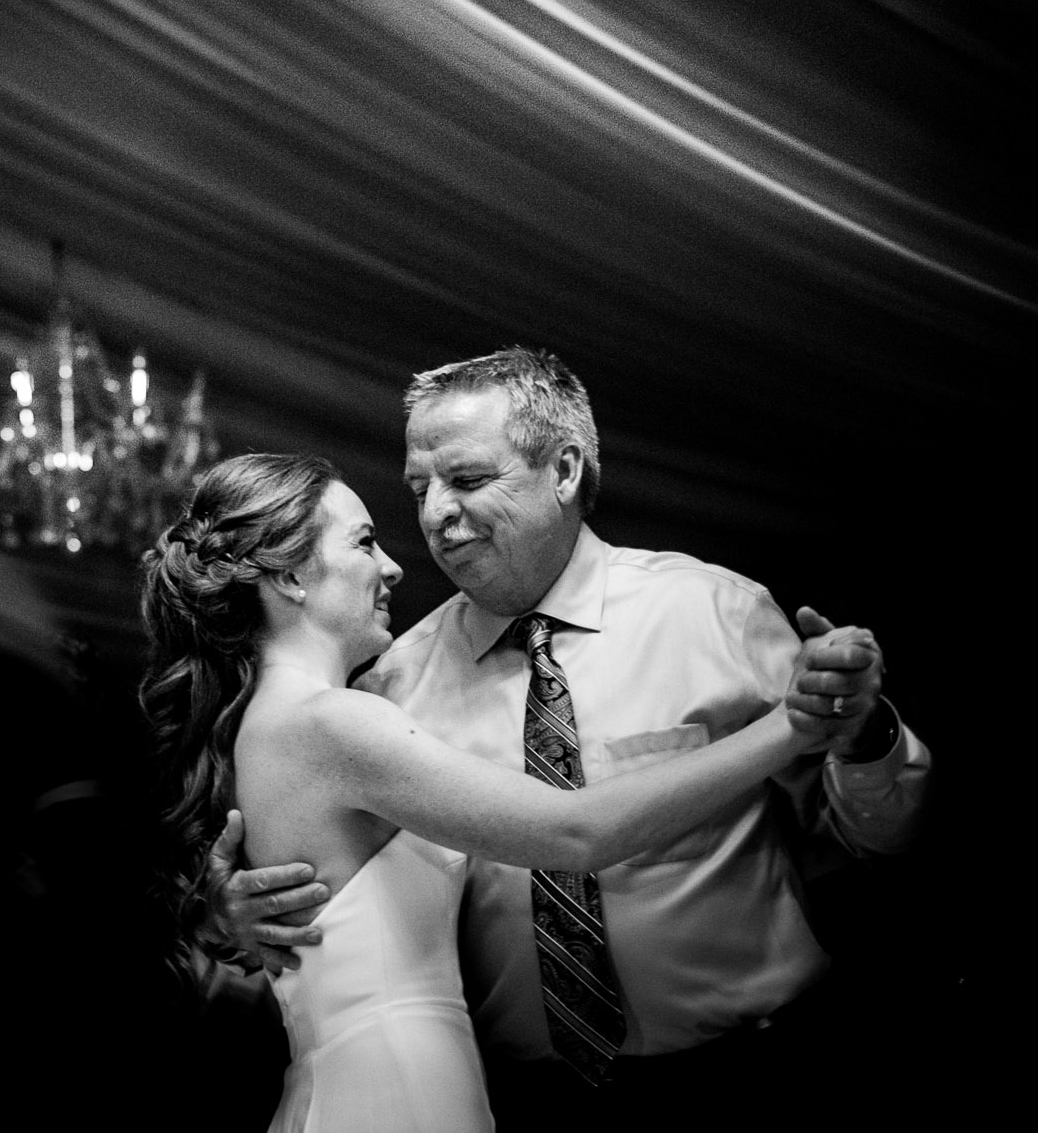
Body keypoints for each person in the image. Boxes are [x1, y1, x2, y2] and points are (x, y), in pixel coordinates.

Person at [209, 348, 932, 1125]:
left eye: (467, 478)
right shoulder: (391, 684)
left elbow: (876, 840)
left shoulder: (712, 611)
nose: (434, 515)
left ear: (562, 470)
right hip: (523, 1102)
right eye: (420, 488)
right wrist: (233, 923)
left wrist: (861, 736)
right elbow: (348, 895)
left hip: (757, 1076)